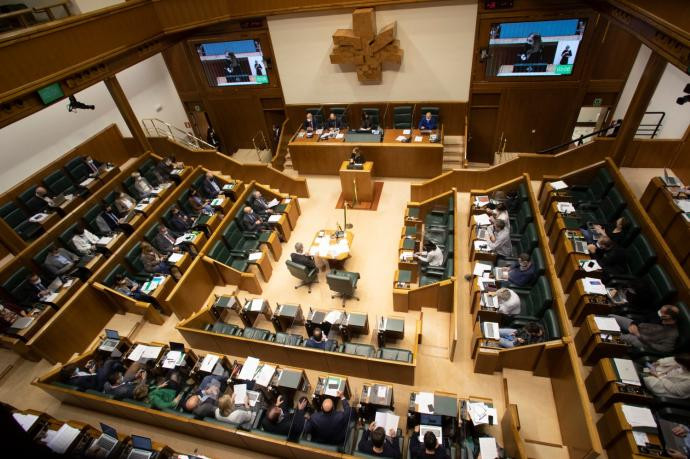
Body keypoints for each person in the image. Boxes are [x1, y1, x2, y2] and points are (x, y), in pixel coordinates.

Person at [610, 305, 680, 353]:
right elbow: (644, 318)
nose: (658, 314)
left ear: (667, 316)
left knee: (618, 336)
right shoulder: (659, 316)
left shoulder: (673, 333)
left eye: (661, 313)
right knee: (611, 317)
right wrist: (634, 324)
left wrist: (639, 336)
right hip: (638, 327)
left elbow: (666, 349)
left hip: (642, 341)